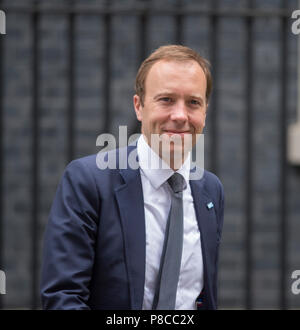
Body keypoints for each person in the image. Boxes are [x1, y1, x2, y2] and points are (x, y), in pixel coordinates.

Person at [40, 44, 225, 310]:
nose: (180, 115)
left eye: (193, 102)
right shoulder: (88, 181)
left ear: (205, 112)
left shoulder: (210, 190)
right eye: (166, 100)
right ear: (139, 107)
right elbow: (63, 297)